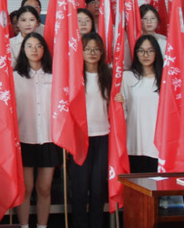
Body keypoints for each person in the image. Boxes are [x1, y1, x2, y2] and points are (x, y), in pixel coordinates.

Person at [14, 32, 57, 228]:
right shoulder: (14, 77)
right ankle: (24, 225)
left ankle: (42, 226)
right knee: (26, 188)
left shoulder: (54, 75)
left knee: (44, 188)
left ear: (44, 50)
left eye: (39, 46)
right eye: (29, 46)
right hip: (24, 138)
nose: (34, 50)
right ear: (23, 50)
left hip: (48, 138)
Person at [70, 32, 112, 228]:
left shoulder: (108, 75)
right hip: (79, 137)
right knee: (79, 189)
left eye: (96, 49)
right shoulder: (74, 76)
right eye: (87, 49)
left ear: (102, 52)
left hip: (102, 136)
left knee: (98, 188)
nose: (92, 53)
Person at [116, 34, 163, 173]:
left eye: (150, 51)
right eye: (141, 51)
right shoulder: (127, 77)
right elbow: (122, 112)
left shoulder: (165, 79)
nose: (145, 55)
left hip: (157, 144)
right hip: (134, 142)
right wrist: (118, 103)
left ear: (156, 52)